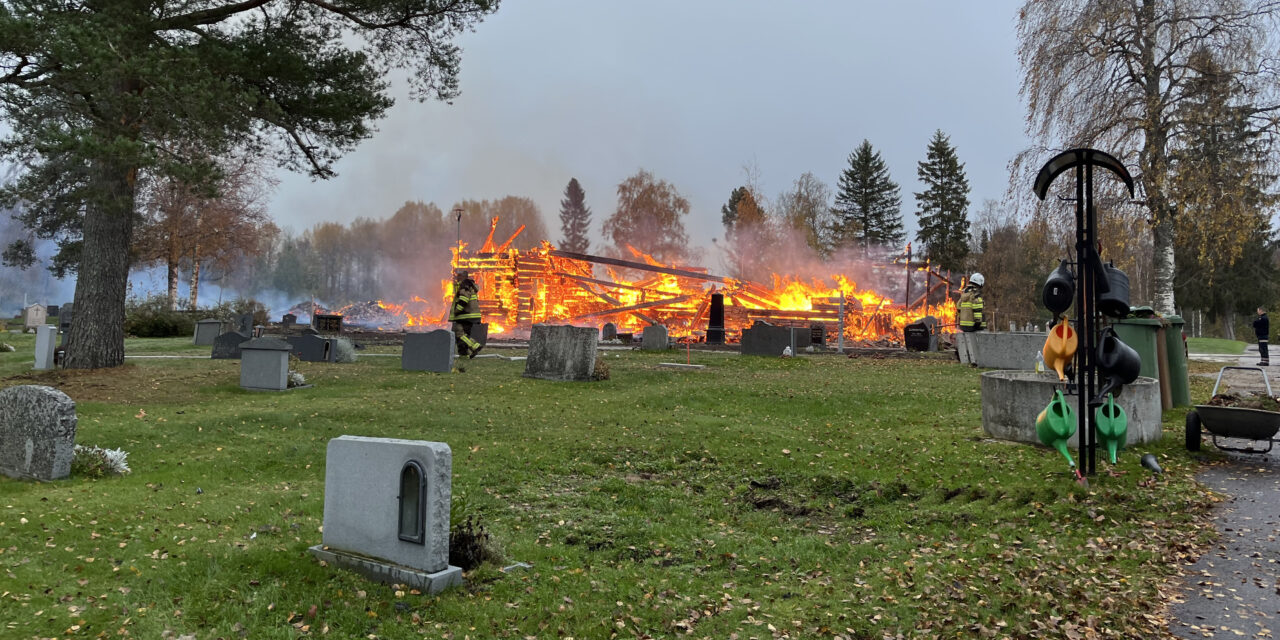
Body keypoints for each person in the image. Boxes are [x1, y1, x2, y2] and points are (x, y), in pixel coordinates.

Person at [450, 270, 483, 359]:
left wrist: (457, 310)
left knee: (460, 334)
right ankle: (464, 355)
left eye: (458, 276)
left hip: (466, 315)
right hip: (468, 316)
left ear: (463, 277)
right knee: (461, 334)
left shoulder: (464, 285)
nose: (456, 278)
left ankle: (475, 346)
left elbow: (464, 299)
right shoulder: (468, 285)